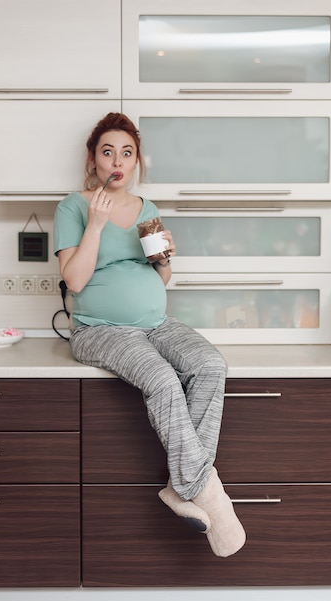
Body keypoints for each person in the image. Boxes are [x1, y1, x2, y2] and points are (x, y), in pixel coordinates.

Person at [53, 112, 246, 558]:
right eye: (107, 152)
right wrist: (97, 226)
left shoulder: (147, 209)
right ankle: (207, 494)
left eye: (127, 152)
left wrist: (163, 262)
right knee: (161, 379)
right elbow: (75, 281)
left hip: (155, 323)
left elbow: (160, 279)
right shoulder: (73, 206)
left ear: (136, 160)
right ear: (93, 160)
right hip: (99, 331)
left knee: (211, 365)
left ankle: (183, 488)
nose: (117, 160)